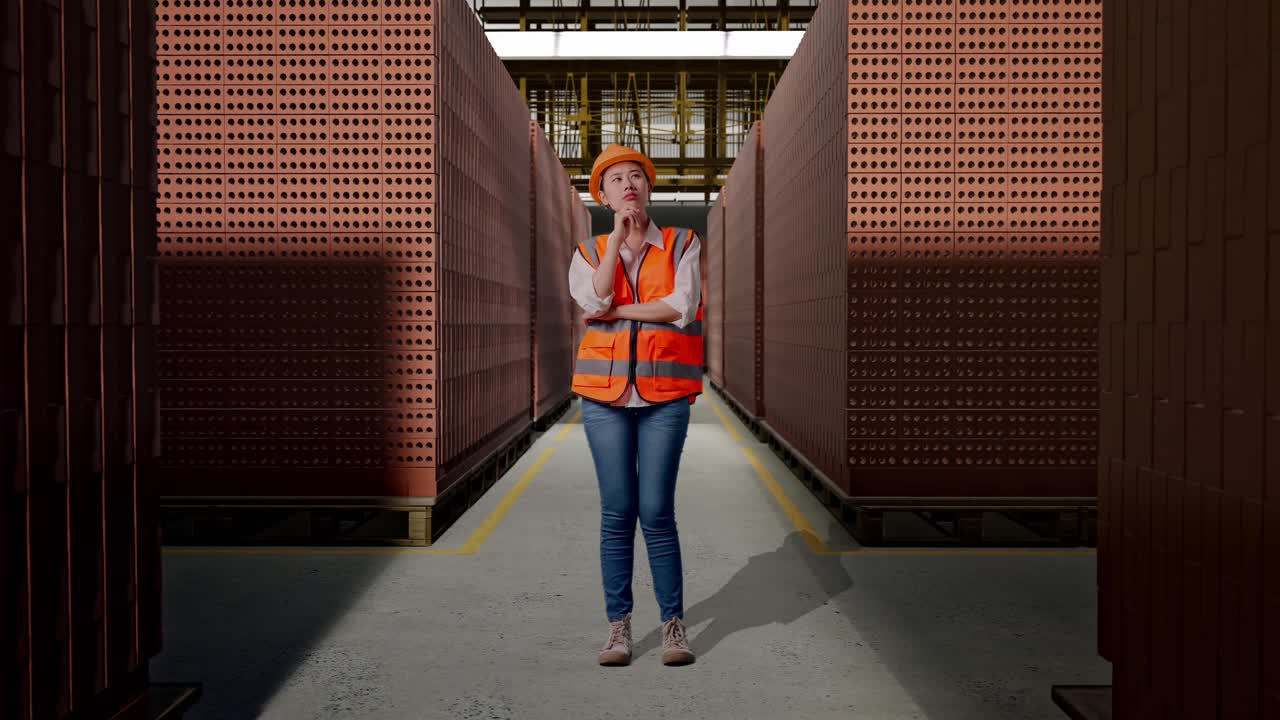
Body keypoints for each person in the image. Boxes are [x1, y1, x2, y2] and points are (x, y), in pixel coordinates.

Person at [566, 144, 704, 667]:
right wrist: (612, 251)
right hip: (604, 398)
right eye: (616, 180)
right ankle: (619, 627)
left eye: (637, 177)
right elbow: (593, 299)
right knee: (617, 511)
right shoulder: (586, 252)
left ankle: (672, 625)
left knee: (656, 511)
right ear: (603, 197)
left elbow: (680, 308)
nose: (628, 185)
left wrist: (619, 308)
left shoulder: (681, 242)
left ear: (650, 188)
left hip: (665, 397)